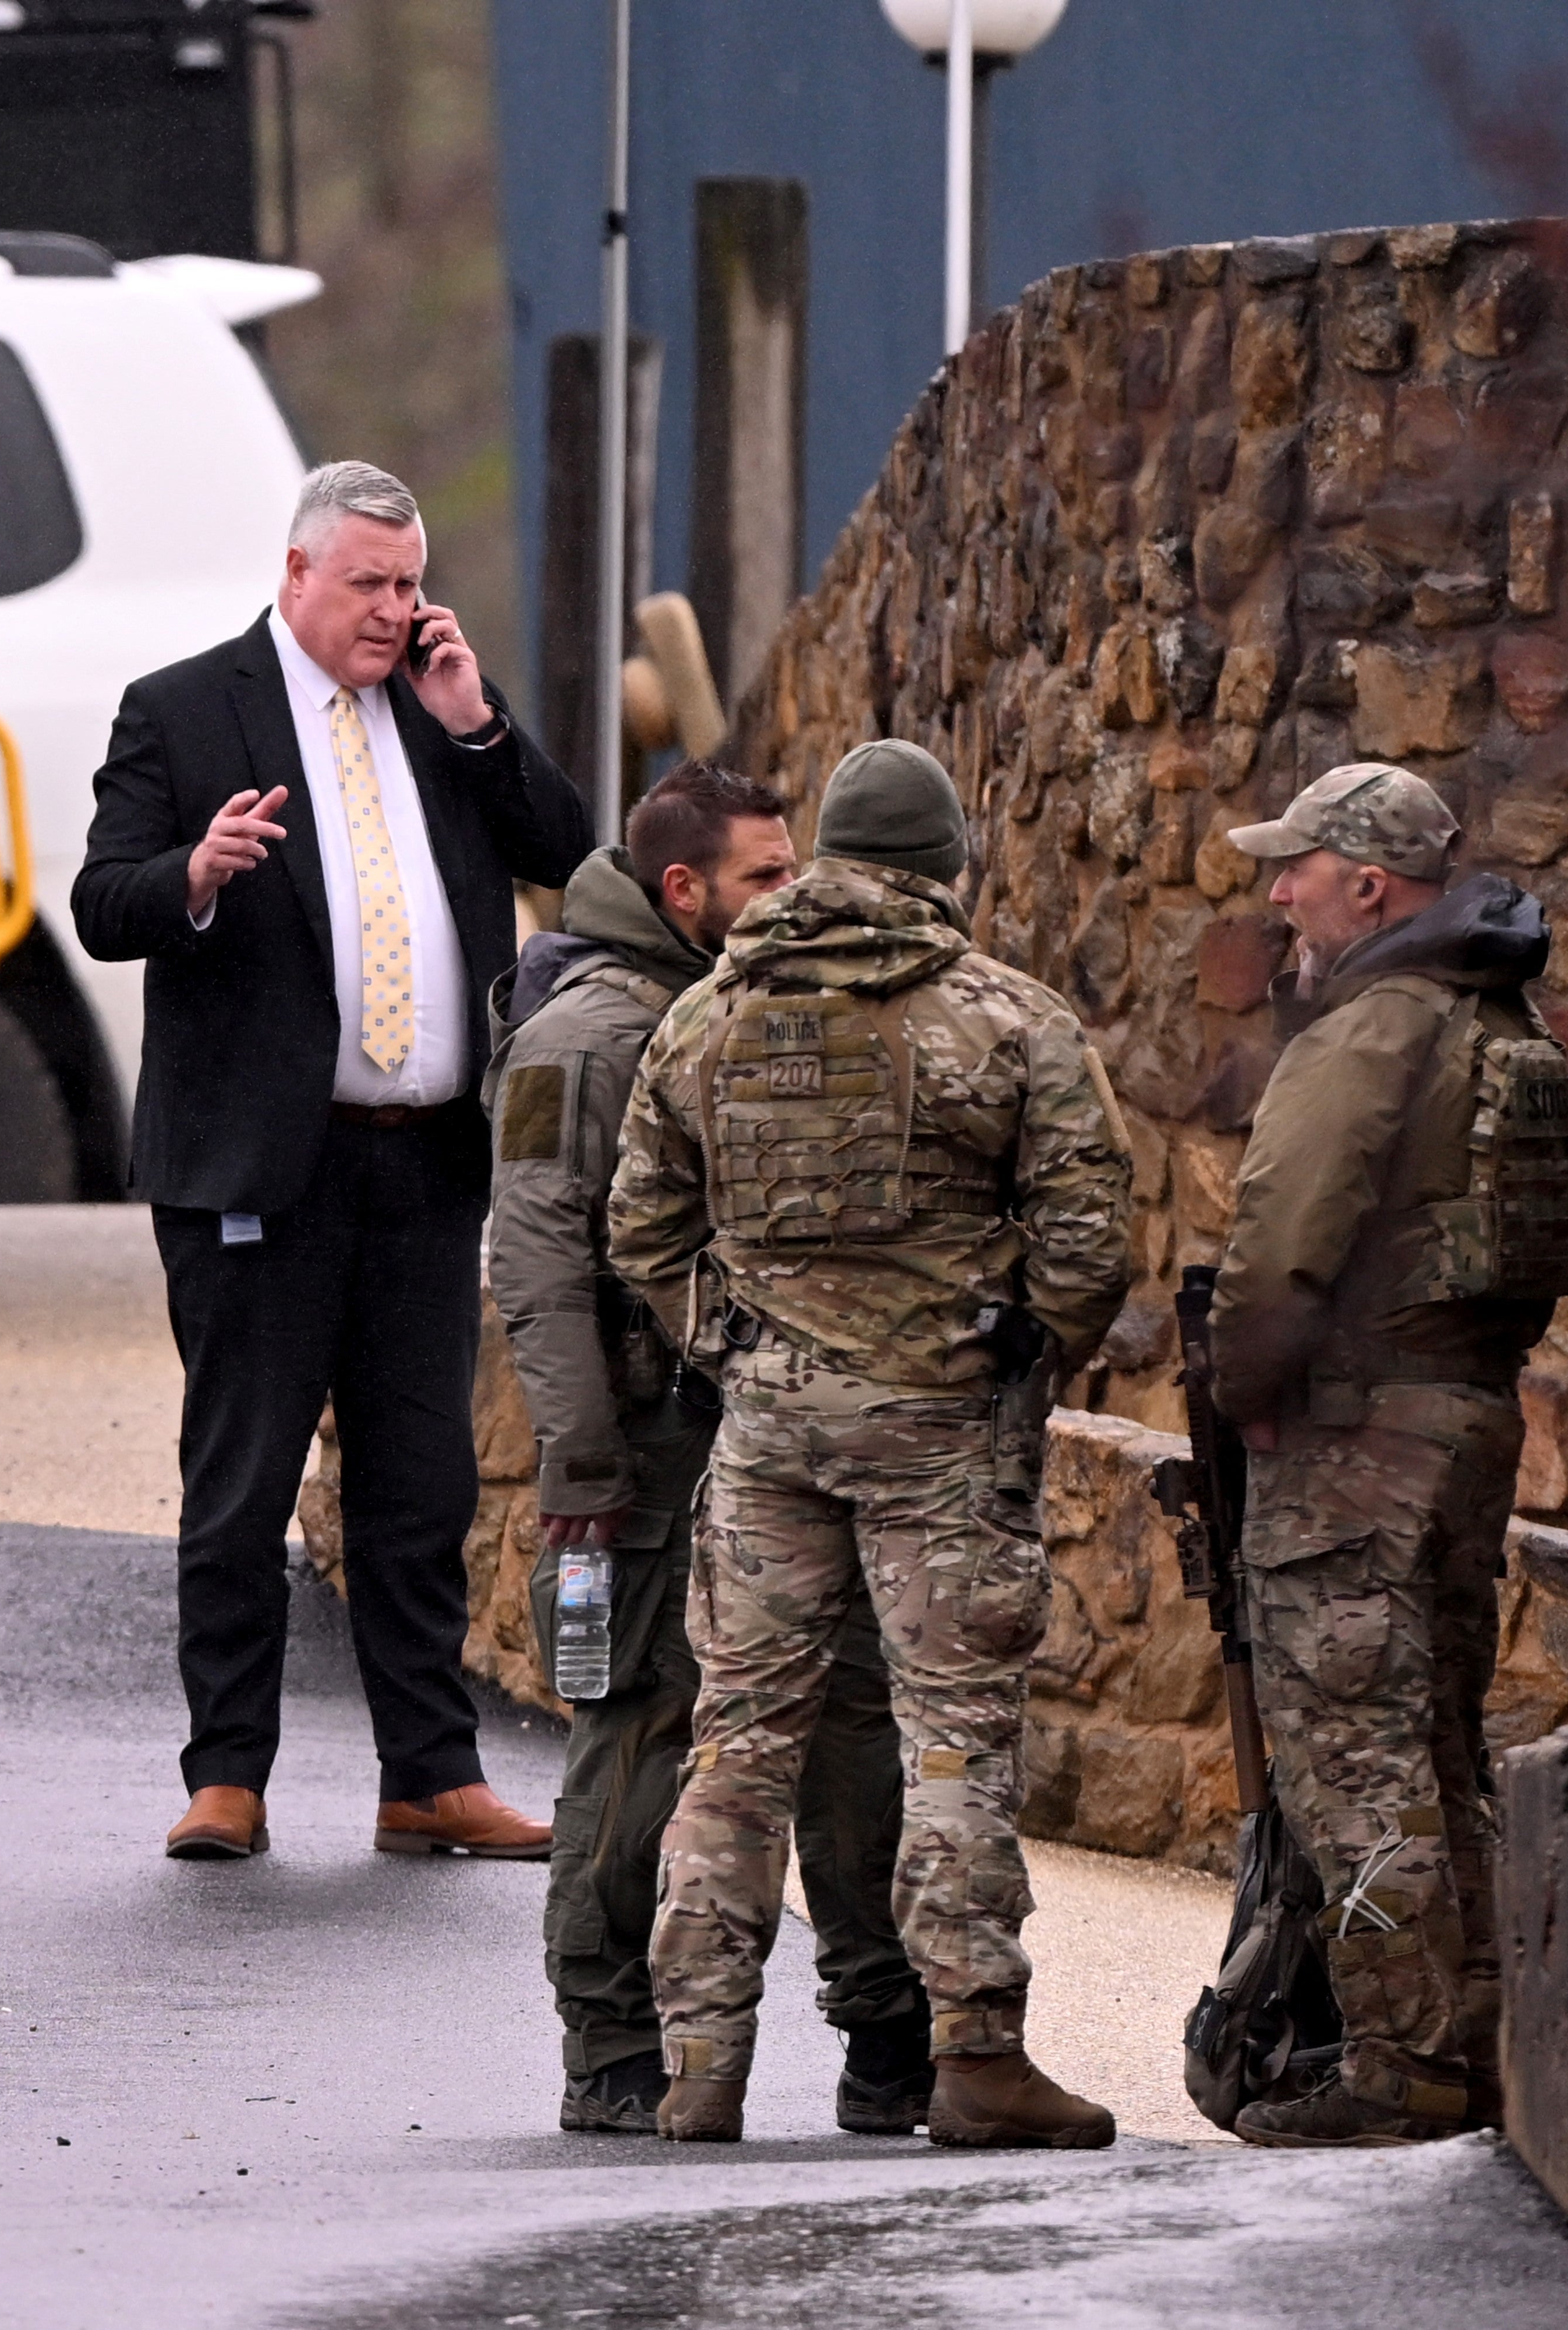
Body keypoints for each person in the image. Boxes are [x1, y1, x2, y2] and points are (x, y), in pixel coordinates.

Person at [606, 739, 1136, 2147]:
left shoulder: (707, 1019)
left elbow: (641, 1230)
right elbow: (1091, 1247)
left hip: (770, 1434)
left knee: (738, 1747)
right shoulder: (1012, 1023)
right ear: (948, 864)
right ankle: (976, 2057)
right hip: (941, 1437)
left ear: (832, 856)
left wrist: (739, 1347)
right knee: (955, 1740)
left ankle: (701, 2066)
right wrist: (1011, 1338)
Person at [74, 461, 591, 1864]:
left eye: (413, 582)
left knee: (419, 1485)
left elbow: (573, 853)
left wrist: (478, 724)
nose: (396, 608)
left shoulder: (437, 711)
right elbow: (101, 903)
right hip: (257, 1169)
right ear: (297, 575)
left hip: (423, 1160)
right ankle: (227, 1775)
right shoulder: (183, 709)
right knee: (241, 1483)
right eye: (369, 582)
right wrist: (196, 870)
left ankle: (429, 1775)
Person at [487, 762, 935, 2138]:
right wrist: (582, 1463)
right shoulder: (589, 1036)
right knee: (642, 1729)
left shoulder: (757, 1007)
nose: (791, 895)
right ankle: (612, 2040)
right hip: (647, 1454)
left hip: (784, 1436)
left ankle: (887, 2037)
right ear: (684, 891)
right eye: (762, 876)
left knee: (855, 1723)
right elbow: (537, 1258)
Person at [1206, 761, 1568, 2149]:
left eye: (1295, 866)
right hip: (1469, 1420)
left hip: (1355, 1442)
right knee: (1437, 1753)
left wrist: (1245, 1392)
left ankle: (1399, 2069)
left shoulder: (1371, 1030)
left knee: (1355, 1760)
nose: (1275, 891)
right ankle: (1482, 2051)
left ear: (1369, 883)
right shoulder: (1500, 1021)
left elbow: (1278, 1249)